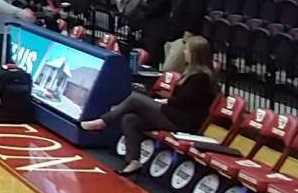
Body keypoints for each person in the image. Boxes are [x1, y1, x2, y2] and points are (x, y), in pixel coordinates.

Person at [80, 36, 219, 166]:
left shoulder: (201, 78)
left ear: (196, 54)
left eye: (187, 49)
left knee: (135, 98)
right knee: (130, 119)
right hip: (174, 113)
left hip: (181, 122)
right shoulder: (192, 74)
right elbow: (182, 100)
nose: (184, 52)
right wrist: (165, 101)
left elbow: (183, 102)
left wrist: (165, 102)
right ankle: (133, 162)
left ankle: (103, 121)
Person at [159, 0, 209, 73]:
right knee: (174, 72)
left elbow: (195, 17)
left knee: (169, 71)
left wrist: (185, 41)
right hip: (169, 36)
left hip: (182, 39)